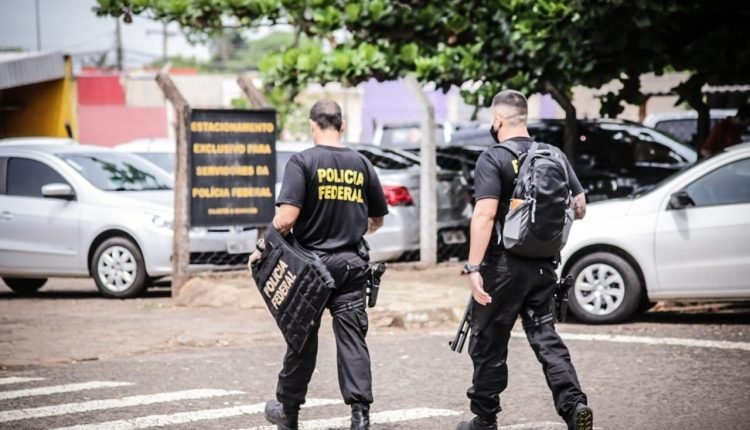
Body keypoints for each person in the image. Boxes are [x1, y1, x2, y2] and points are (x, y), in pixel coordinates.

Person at [455, 90, 592, 430]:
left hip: (503, 268)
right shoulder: (554, 155)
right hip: (544, 266)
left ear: (497, 120)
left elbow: (484, 215)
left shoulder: (493, 157)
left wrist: (473, 267)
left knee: (488, 341)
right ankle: (574, 407)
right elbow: (580, 207)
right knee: (545, 336)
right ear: (524, 119)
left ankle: (484, 420)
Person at [249, 100, 388, 430]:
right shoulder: (362, 163)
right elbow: (377, 219)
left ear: (313, 126)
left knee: (301, 338)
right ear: (342, 126)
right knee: (352, 340)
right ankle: (360, 416)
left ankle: (288, 411)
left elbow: (286, 219)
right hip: (352, 266)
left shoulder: (303, 161)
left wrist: (261, 246)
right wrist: (352, 227)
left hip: (309, 271)